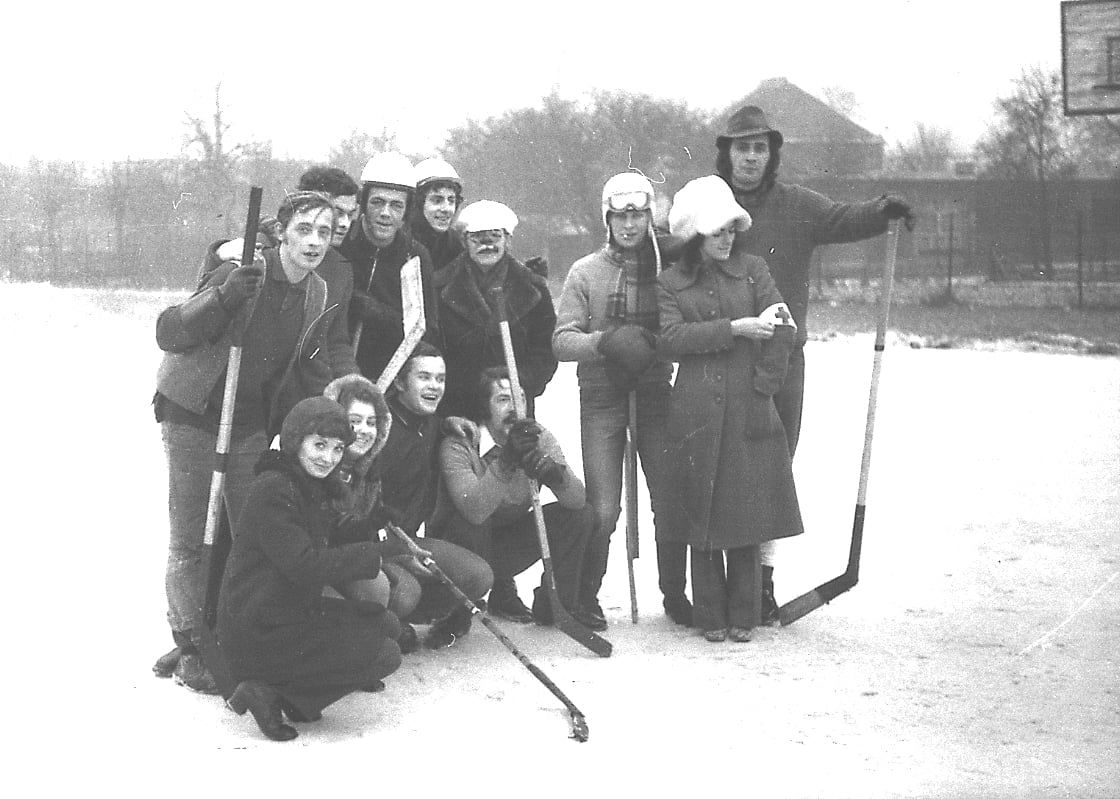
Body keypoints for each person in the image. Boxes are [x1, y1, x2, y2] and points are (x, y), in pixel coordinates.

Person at [716, 105, 915, 617]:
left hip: (782, 361)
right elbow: (666, 247)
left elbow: (843, 218)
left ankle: (760, 580)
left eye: (760, 148)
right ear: (727, 153)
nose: (751, 158)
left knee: (773, 469)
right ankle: (718, 583)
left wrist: (882, 210)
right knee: (722, 468)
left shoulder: (796, 205)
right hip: (719, 358)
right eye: (742, 147)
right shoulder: (709, 204)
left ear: (772, 155)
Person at [152, 191, 356, 692]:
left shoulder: (316, 294)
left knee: (253, 531)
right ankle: (189, 641)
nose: (313, 241)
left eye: (324, 233)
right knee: (191, 535)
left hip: (247, 423)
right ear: (282, 231)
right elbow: (169, 331)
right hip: (194, 412)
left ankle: (234, 632)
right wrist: (224, 298)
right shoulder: (243, 272)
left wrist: (336, 412)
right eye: (304, 229)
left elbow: (311, 364)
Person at [657, 175, 803, 642]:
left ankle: (744, 615)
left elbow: (784, 327)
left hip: (748, 408)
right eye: (716, 231)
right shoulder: (671, 282)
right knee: (702, 515)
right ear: (696, 233)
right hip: (695, 411)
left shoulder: (755, 270)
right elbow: (671, 339)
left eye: (730, 230)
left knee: (744, 514)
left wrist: (765, 387)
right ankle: (709, 616)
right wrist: (735, 328)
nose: (725, 239)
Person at [218, 397, 403, 741]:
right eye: (318, 445)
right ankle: (270, 693)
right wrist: (373, 555)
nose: (327, 458)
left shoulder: (307, 484)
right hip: (258, 627)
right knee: (385, 653)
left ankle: (294, 694)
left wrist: (374, 523)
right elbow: (305, 565)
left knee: (387, 624)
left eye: (336, 449)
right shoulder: (274, 488)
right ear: (295, 441)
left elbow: (323, 539)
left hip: (286, 612)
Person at [553, 172, 691, 626]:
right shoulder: (585, 271)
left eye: (638, 214)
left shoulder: (667, 268)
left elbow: (682, 329)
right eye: (620, 215)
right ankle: (585, 594)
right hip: (601, 396)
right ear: (607, 220)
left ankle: (675, 594)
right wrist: (604, 342)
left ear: (652, 217)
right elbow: (561, 340)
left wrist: (655, 346)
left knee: (670, 496)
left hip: (654, 391)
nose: (630, 225)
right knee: (605, 506)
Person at [326, 362, 493, 650]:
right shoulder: (330, 461)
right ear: (401, 383)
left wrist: (446, 424)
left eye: (441, 378)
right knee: (405, 591)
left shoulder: (392, 441)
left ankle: (395, 621)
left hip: (394, 538)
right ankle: (378, 624)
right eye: (424, 377)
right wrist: (394, 553)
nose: (434, 385)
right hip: (356, 554)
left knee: (478, 574)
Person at [428, 367, 603, 631]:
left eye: (520, 399)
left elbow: (578, 501)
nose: (515, 407)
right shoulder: (460, 443)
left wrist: (556, 477)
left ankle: (557, 605)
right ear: (484, 408)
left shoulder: (537, 437)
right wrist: (506, 461)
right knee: (471, 524)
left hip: (506, 548)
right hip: (461, 550)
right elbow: (474, 510)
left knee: (580, 516)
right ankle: (455, 615)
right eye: (503, 400)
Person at [435, 200, 557, 420]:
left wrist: (520, 382)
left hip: (514, 406)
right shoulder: (441, 288)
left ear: (508, 240)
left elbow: (546, 350)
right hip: (457, 407)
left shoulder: (533, 289)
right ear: (465, 241)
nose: (487, 245)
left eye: (494, 237)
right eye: (477, 239)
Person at [340, 152, 440, 382]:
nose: (386, 213)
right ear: (363, 204)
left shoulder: (415, 256)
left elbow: (427, 330)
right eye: (377, 202)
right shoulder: (343, 244)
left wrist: (376, 312)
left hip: (389, 376)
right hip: (339, 370)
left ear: (407, 211)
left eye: (396, 205)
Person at [409, 157, 465, 273]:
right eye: (437, 200)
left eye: (451, 200)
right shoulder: (401, 242)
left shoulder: (455, 245)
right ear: (418, 203)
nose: (446, 209)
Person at [297, 165, 361, 249]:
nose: (345, 224)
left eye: (350, 215)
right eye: (337, 213)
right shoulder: (275, 258)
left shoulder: (347, 259)